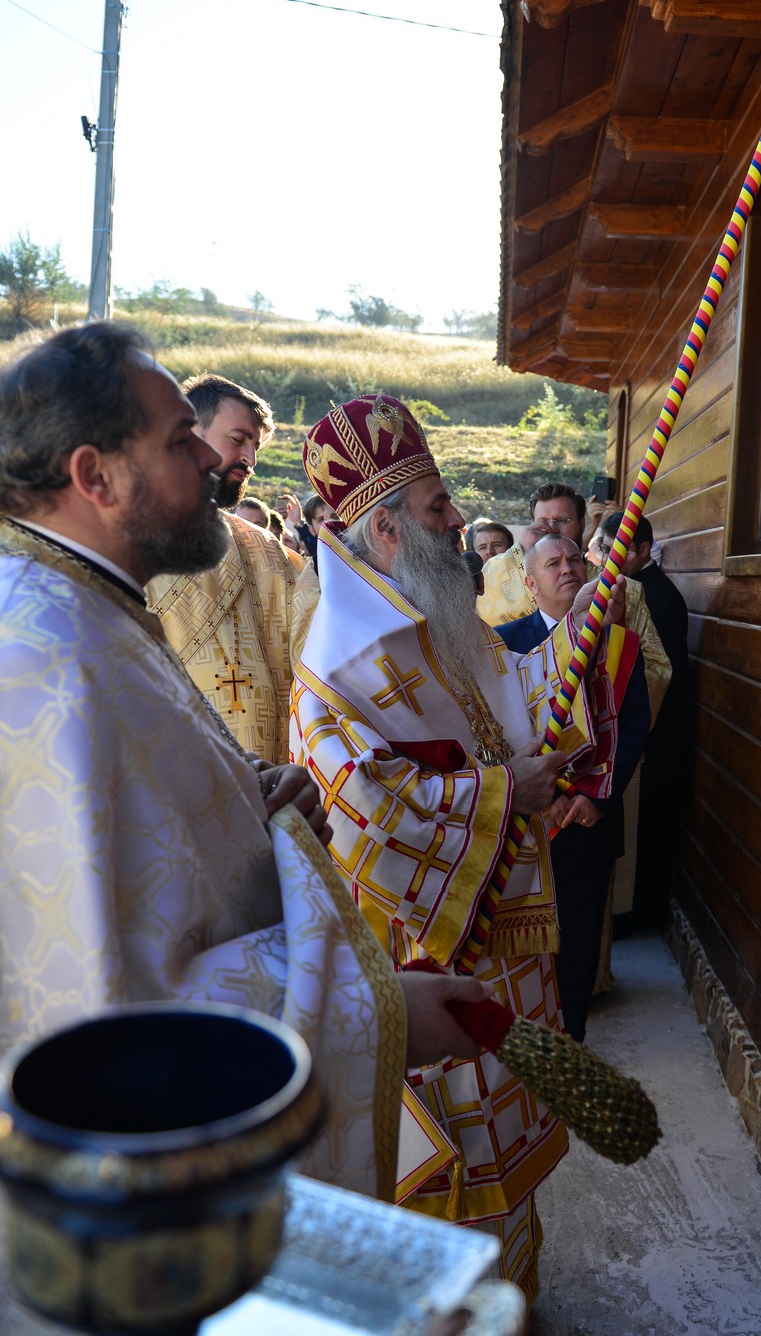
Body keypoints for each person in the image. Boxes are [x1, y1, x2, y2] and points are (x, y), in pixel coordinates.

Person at [0, 321, 493, 1206]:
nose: (210, 461)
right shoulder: (52, 664)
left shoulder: (84, 612)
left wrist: (247, 797)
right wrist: (376, 1015)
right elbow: (103, 1007)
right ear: (93, 476)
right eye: (177, 439)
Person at [290, 394, 627, 1336]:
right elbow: (361, 812)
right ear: (386, 526)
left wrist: (580, 624)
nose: (456, 518)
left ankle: (507, 1316)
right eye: (438, 504)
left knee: (506, 1152)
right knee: (446, 1166)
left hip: (504, 946)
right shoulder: (336, 663)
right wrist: (496, 792)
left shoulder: (440, 615)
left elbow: (516, 688)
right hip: (432, 962)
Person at [496, 537, 649, 1041]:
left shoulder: (618, 644)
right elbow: (496, 729)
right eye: (553, 563)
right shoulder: (502, 644)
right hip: (527, 822)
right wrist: (545, 793)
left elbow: (632, 726)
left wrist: (595, 795)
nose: (567, 568)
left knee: (578, 944)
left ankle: (572, 1046)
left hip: (587, 823)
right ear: (530, 584)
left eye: (575, 560)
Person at [145, 373, 301, 764]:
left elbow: (314, 632)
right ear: (186, 431)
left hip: (264, 776)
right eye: (238, 440)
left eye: (255, 446)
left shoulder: (264, 548)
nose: (249, 459)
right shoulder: (122, 533)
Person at [479, 480, 673, 724]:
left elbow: (656, 670)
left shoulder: (626, 589)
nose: (551, 530)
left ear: (583, 523)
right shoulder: (501, 576)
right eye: (542, 523)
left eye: (562, 521)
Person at [600, 508, 691, 929]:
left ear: (642, 549)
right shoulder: (635, 586)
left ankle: (639, 917)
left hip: (652, 737)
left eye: (616, 549)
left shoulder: (654, 595)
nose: (607, 559)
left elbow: (657, 673)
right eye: (604, 549)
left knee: (647, 834)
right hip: (640, 735)